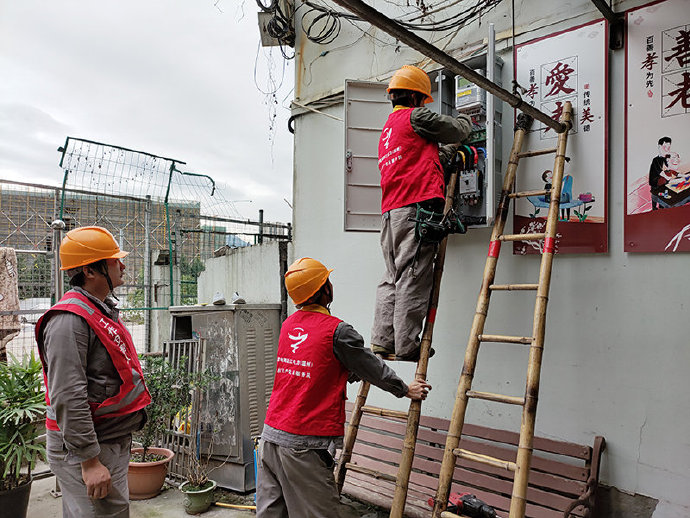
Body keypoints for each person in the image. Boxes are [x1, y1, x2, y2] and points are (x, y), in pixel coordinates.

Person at [256, 257, 431, 518]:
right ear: (324, 290)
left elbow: (320, 368)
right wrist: (405, 389)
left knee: (271, 514)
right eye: (328, 281)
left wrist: (352, 367)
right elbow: (372, 368)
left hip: (270, 438)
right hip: (303, 444)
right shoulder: (337, 331)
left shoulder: (288, 325)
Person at [35, 226, 151, 518]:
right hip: (88, 449)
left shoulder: (97, 310)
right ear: (89, 270)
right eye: (114, 261)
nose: (122, 265)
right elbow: (68, 395)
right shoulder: (69, 321)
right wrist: (89, 460)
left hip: (106, 440)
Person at [372, 64, 472, 361]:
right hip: (416, 210)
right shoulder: (416, 117)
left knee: (392, 276)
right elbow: (457, 129)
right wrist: (468, 118)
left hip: (392, 213)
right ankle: (406, 345)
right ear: (416, 97)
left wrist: (450, 154)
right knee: (414, 275)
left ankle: (382, 340)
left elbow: (423, 159)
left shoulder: (389, 129)